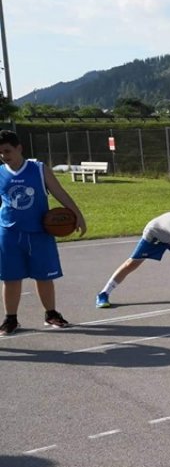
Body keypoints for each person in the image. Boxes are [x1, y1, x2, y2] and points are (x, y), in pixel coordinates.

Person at [0, 130, 86, 334]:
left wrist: (78, 216)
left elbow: (60, 193)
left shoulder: (38, 169)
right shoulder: (0, 172)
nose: (4, 155)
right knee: (10, 278)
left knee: (44, 276)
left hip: (39, 232)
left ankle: (51, 314)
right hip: (9, 234)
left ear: (19, 148)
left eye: (7, 150)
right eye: (0, 153)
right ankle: (10, 319)